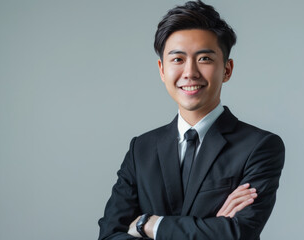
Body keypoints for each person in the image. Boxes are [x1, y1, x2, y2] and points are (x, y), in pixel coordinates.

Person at [98, 1, 285, 239]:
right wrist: (210, 228)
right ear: (162, 70)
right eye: (177, 59)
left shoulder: (259, 146)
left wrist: (149, 224)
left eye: (204, 58)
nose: (190, 72)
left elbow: (240, 232)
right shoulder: (141, 149)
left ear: (227, 70)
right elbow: (109, 235)